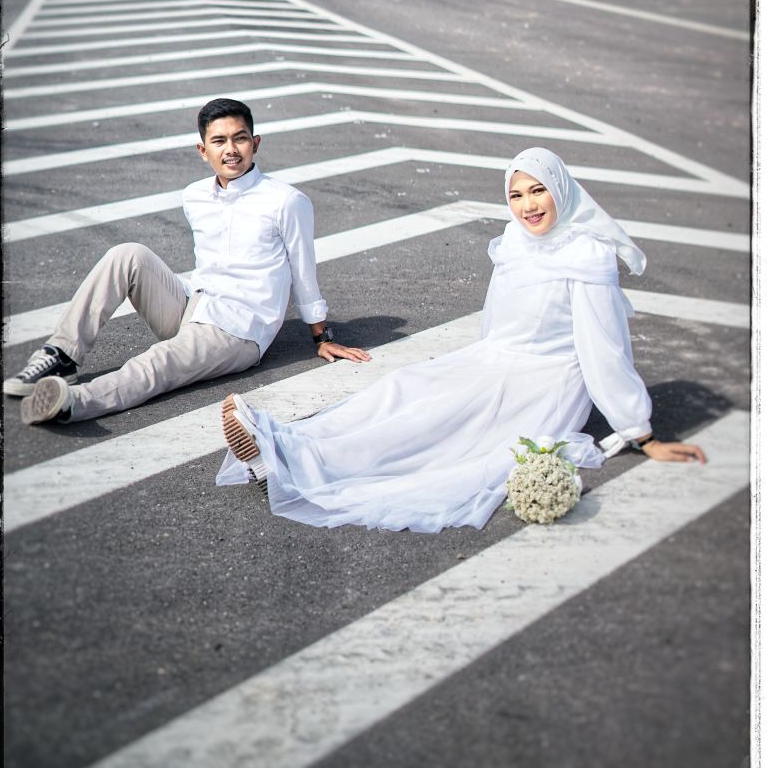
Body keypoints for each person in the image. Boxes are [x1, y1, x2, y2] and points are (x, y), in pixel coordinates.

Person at [215, 147, 706, 532]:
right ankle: (285, 442)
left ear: (561, 189)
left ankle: (298, 460)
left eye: (538, 191)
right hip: (494, 360)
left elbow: (604, 349)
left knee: (433, 427)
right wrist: (474, 366)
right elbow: (497, 318)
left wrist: (641, 431)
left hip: (545, 383)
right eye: (517, 195)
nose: (528, 206)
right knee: (404, 388)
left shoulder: (587, 255)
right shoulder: (515, 239)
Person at [8, 97, 370, 425]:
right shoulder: (195, 196)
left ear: (255, 143)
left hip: (238, 330)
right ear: (202, 150)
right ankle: (62, 355)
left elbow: (303, 271)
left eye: (240, 138)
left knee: (159, 362)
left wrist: (322, 337)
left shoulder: (286, 201)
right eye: (219, 141)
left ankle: (72, 402)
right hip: (193, 305)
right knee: (127, 254)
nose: (231, 150)